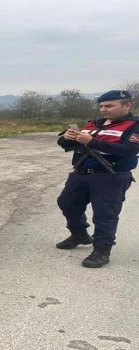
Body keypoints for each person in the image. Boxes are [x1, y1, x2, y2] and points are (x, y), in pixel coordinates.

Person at [56, 90, 138, 268]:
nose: (104, 110)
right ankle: (79, 234)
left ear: (127, 105)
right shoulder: (93, 124)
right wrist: (67, 138)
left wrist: (91, 141)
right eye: (101, 106)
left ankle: (101, 251)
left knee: (105, 214)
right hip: (81, 173)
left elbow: (129, 150)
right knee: (66, 203)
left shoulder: (134, 126)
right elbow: (66, 145)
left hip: (110, 176)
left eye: (109, 106)